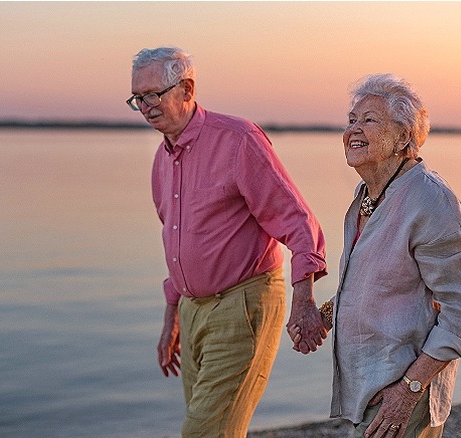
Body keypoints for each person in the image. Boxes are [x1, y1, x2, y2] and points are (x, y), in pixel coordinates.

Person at [128, 46, 329, 437]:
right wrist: (172, 315)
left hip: (242, 305)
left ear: (186, 89)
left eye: (153, 94)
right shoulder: (162, 160)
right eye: (138, 98)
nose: (146, 106)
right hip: (192, 311)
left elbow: (297, 220)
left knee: (204, 432)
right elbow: (176, 242)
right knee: (217, 428)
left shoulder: (238, 140)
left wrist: (303, 298)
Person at [289, 73, 461, 438]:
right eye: (351, 121)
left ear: (403, 137)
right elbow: (374, 285)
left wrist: (408, 390)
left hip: (401, 387)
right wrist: (323, 316)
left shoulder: (429, 201)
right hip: (370, 384)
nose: (353, 130)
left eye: (369, 120)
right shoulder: (368, 196)